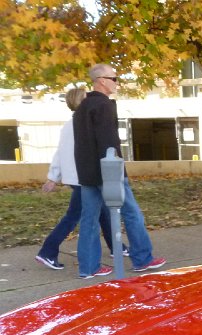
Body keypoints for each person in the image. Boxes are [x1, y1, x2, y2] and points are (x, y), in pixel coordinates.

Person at [73, 63, 165, 279]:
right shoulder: (104, 106)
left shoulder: (82, 107)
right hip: (109, 172)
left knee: (89, 219)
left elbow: (82, 144)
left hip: (88, 173)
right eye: (114, 79)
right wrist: (116, 172)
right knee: (132, 214)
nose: (117, 83)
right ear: (101, 81)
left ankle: (88, 267)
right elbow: (109, 143)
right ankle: (142, 259)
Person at [36, 88, 128, 270]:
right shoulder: (81, 124)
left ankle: (116, 247)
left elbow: (59, 153)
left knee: (101, 212)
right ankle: (47, 251)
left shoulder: (70, 125)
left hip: (78, 177)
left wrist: (53, 177)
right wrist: (53, 177)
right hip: (83, 178)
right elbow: (63, 153)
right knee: (75, 216)